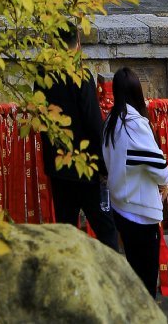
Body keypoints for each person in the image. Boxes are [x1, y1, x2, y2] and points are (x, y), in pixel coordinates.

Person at [38, 23, 118, 249]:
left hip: (58, 166)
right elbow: (93, 122)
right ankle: (113, 279)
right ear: (78, 43)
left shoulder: (43, 75)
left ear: (54, 44)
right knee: (105, 228)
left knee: (66, 229)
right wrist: (103, 165)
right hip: (85, 166)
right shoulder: (80, 76)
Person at [101, 66, 168, 297]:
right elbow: (156, 163)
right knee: (147, 280)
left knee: (136, 274)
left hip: (122, 206)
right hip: (141, 211)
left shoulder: (111, 121)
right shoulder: (134, 124)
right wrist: (165, 181)